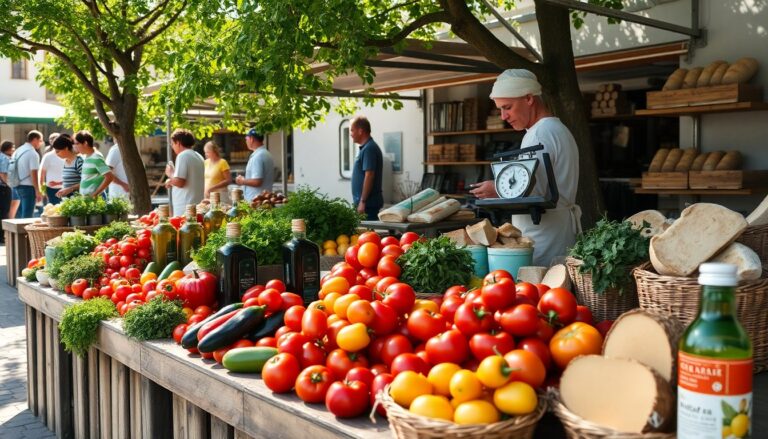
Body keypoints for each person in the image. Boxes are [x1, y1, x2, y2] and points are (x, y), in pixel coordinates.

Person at [469, 69, 580, 266]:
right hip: (558, 229)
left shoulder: (538, 135)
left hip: (542, 235)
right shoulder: (557, 129)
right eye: (500, 109)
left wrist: (497, 188)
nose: (503, 116)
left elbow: (534, 191)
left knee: (539, 291)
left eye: (508, 107)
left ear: (529, 98)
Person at [349, 116, 383, 220]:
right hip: (364, 204)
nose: (350, 134)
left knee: (367, 236)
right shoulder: (366, 148)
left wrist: (363, 201)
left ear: (360, 131)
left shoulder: (369, 149)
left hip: (367, 205)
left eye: (352, 130)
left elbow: (369, 175)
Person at [165, 128, 204, 216]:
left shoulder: (182, 156)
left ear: (178, 143)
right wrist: (172, 180)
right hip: (197, 205)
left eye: (172, 144)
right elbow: (189, 180)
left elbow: (180, 182)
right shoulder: (199, 156)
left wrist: (170, 173)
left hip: (184, 207)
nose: (172, 147)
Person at [235, 129, 274, 202]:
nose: (246, 142)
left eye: (246, 139)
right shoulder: (266, 153)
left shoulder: (258, 156)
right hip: (264, 200)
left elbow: (257, 181)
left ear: (251, 139)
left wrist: (242, 181)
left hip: (257, 202)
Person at [11, 130, 43, 218]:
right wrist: (37, 190)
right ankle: (25, 232)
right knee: (27, 216)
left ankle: (18, 232)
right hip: (28, 187)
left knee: (19, 214)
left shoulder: (18, 150)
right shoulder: (32, 153)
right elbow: (34, 172)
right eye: (40, 141)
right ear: (35, 139)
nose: (41, 143)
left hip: (16, 185)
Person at [74, 130, 113, 198]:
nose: (75, 146)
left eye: (77, 143)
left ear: (85, 143)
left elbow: (109, 177)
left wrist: (95, 194)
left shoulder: (96, 157)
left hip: (95, 201)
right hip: (86, 200)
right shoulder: (86, 156)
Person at [52, 134, 83, 199]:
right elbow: (71, 180)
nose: (56, 154)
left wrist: (70, 189)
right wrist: (59, 184)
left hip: (77, 201)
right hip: (67, 201)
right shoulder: (65, 162)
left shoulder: (79, 161)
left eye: (58, 151)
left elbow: (86, 181)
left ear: (66, 148)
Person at [39, 135, 65, 205]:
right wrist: (42, 190)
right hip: (51, 189)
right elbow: (42, 173)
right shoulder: (48, 156)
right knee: (53, 210)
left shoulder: (67, 155)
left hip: (66, 188)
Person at [0, 141, 13, 223]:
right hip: (3, 188)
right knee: (4, 211)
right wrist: (9, 185)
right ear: (8, 148)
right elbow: (3, 173)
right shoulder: (5, 158)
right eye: (13, 148)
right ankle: (3, 234)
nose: (14, 150)